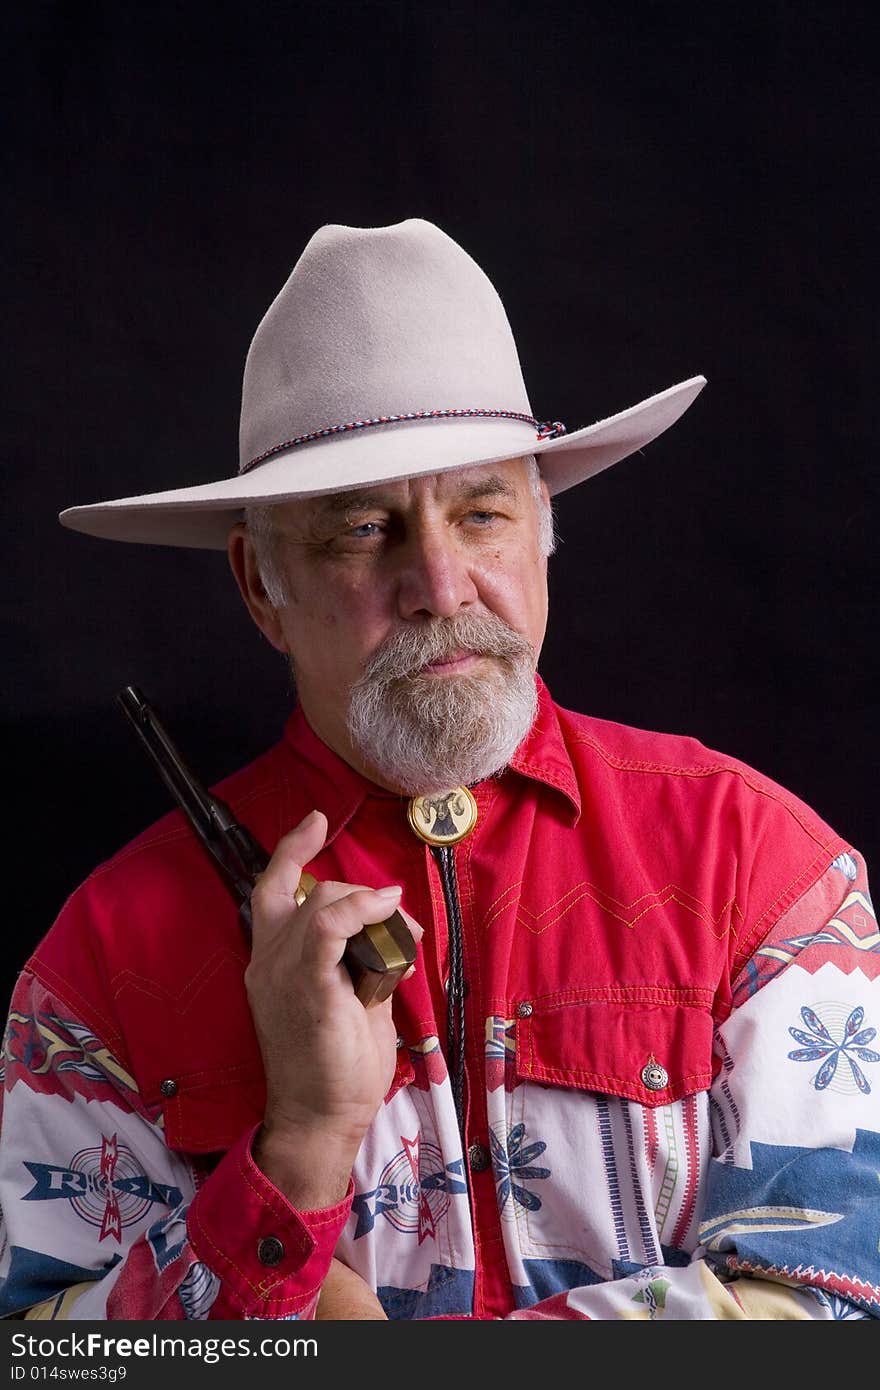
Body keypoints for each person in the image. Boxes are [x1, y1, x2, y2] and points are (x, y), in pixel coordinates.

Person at [1, 220, 877, 1321]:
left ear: (542, 525)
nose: (441, 583)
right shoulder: (103, 966)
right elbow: (50, 1356)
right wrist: (300, 1152)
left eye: (481, 512)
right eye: (364, 530)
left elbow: (837, 1310)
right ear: (259, 587)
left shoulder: (762, 869)